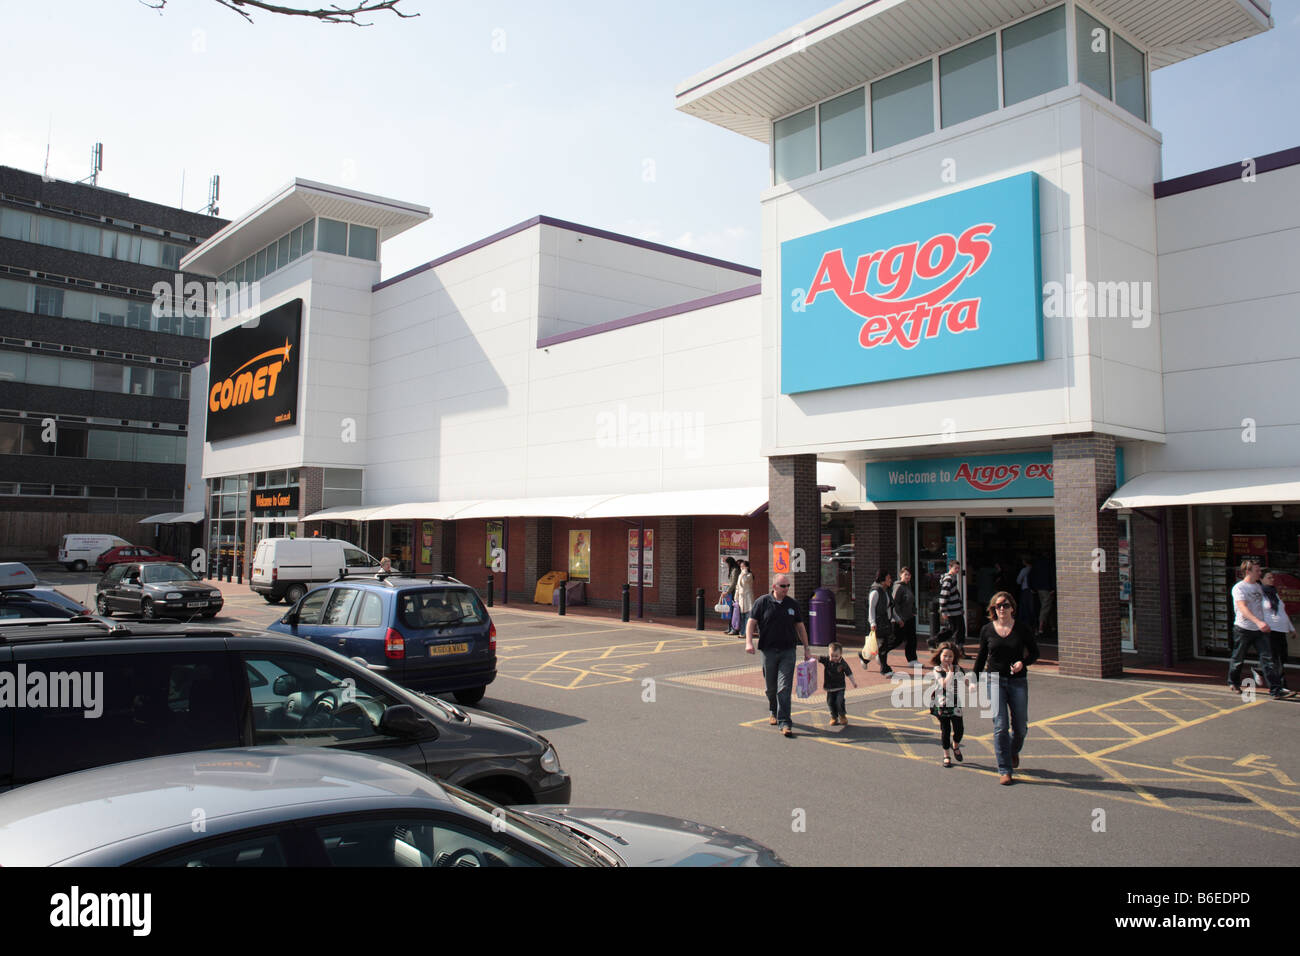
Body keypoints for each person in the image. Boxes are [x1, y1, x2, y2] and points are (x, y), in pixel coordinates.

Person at [973, 591, 1039, 785]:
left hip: (1017, 681)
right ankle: (1004, 769)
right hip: (993, 680)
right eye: (998, 606)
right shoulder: (987, 630)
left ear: (1012, 608)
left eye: (1005, 605)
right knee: (1000, 726)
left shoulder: (1022, 629)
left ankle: (1012, 751)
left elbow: (1035, 652)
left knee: (1020, 727)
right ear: (993, 609)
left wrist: (1023, 663)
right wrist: (973, 679)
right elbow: (982, 656)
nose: (1002, 609)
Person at [745, 573, 811, 737]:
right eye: (783, 586)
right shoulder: (762, 602)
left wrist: (807, 648)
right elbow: (751, 622)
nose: (786, 589)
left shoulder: (792, 604)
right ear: (774, 587)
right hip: (768, 651)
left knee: (784, 687)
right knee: (771, 688)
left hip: (788, 651)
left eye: (788, 586)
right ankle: (773, 710)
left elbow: (800, 626)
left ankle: (785, 722)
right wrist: (748, 642)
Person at [1228, 561, 1290, 699]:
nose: (1260, 573)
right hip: (1243, 629)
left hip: (1259, 630)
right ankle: (1233, 682)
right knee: (1238, 658)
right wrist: (1258, 621)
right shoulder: (1239, 588)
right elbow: (1243, 608)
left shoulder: (1258, 587)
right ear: (1248, 571)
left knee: (1268, 659)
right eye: (1257, 571)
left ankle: (1275, 690)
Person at [926, 641, 966, 767]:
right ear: (940, 656)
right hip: (942, 704)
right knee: (945, 730)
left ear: (954, 658)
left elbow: (966, 680)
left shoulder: (958, 669)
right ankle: (946, 755)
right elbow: (944, 684)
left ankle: (955, 745)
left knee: (959, 729)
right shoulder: (937, 670)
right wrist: (950, 672)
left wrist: (971, 684)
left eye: (951, 656)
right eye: (945, 656)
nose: (948, 659)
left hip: (955, 703)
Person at [1261, 570, 1294, 691]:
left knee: (1282, 657)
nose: (1272, 580)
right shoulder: (1260, 594)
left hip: (1281, 630)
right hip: (1270, 630)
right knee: (1275, 659)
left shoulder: (1275, 593)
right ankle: (1280, 685)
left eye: (1272, 578)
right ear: (1261, 579)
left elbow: (1282, 612)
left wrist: (1291, 628)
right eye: (1269, 577)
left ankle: (1259, 671)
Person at [860, 569, 895, 674]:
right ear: (882, 580)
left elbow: (889, 607)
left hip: (886, 622)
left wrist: (894, 618)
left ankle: (864, 658)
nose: (890, 580)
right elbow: (871, 608)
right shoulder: (875, 592)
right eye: (888, 578)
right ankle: (884, 669)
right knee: (881, 645)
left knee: (881, 645)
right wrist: (872, 623)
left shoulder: (886, 591)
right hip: (878, 622)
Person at [818, 642, 858, 726]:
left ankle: (842, 716)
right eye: (832, 655)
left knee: (839, 701)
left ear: (841, 654)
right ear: (829, 654)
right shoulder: (827, 660)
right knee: (830, 702)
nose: (834, 658)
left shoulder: (843, 663)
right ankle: (834, 717)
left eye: (836, 656)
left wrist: (853, 682)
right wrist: (809, 656)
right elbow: (818, 658)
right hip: (830, 687)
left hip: (840, 687)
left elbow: (849, 673)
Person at [890, 566, 918, 671]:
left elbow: (911, 601)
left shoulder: (907, 586)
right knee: (897, 640)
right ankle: (881, 652)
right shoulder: (898, 587)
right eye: (905, 574)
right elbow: (894, 604)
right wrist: (898, 618)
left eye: (909, 575)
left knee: (912, 639)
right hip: (900, 619)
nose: (907, 576)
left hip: (909, 617)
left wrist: (914, 611)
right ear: (900, 575)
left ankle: (912, 660)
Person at [937, 560, 965, 650]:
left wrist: (960, 607)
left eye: (958, 568)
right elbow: (943, 595)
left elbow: (956, 595)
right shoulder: (948, 579)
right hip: (952, 610)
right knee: (954, 629)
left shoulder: (953, 578)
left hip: (956, 609)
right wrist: (943, 610)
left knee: (958, 629)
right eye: (955, 568)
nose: (957, 570)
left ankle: (959, 648)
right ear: (950, 567)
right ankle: (935, 640)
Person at [734, 559, 755, 639]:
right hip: (741, 598)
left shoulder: (749, 575)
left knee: (748, 616)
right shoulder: (740, 575)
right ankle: (742, 632)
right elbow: (738, 587)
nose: (741, 568)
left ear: (747, 567)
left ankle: (747, 633)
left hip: (748, 598)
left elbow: (745, 582)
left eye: (743, 566)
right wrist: (736, 597)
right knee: (742, 617)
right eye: (741, 567)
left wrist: (744, 572)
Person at [722, 556, 741, 634]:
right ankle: (730, 627)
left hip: (733, 592)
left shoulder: (735, 570)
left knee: (734, 611)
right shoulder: (732, 569)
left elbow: (734, 583)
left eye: (727, 563)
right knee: (730, 610)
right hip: (731, 592)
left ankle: (734, 628)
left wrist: (727, 592)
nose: (727, 565)